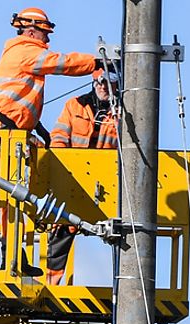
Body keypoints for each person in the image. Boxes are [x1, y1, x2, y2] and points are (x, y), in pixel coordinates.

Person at [0, 7, 102, 272]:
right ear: (32, 30)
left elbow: (19, 102)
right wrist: (96, 63)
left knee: (13, 197)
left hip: (12, 135)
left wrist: (39, 129)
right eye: (45, 34)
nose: (47, 40)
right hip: (0, 134)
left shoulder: (22, 53)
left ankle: (13, 258)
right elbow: (62, 63)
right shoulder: (25, 51)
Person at [44, 70, 119, 285]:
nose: (103, 86)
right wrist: (62, 166)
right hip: (73, 180)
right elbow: (58, 138)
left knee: (119, 233)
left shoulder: (124, 112)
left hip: (106, 185)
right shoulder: (75, 105)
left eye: (109, 82)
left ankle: (123, 288)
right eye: (100, 81)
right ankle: (52, 284)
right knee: (61, 230)